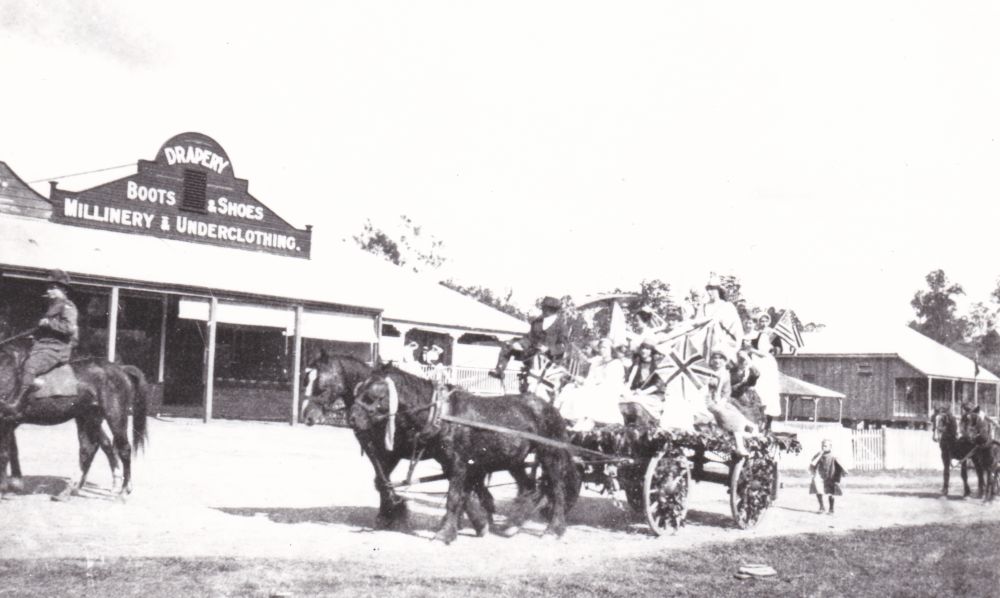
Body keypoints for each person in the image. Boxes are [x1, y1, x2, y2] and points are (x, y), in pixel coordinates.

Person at [1, 269, 79, 417]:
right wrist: (35, 335)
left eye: (52, 288)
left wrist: (49, 324)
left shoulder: (68, 306)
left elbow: (69, 328)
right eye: (48, 288)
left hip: (56, 350)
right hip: (42, 347)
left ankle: (17, 403)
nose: (48, 291)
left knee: (31, 365)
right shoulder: (52, 306)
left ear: (62, 289)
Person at [489, 296, 570, 379]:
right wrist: (519, 344)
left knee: (537, 359)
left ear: (552, 310)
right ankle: (499, 370)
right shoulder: (537, 322)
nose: (542, 310)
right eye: (542, 308)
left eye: (545, 308)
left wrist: (549, 349)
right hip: (532, 353)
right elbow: (529, 338)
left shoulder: (561, 326)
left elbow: (563, 345)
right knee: (508, 345)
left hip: (550, 359)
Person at [558, 338, 626, 429]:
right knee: (569, 387)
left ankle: (580, 420)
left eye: (605, 348)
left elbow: (612, 383)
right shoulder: (597, 362)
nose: (602, 350)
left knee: (584, 393)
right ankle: (563, 416)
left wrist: (590, 385)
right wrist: (582, 382)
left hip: (608, 390)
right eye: (600, 348)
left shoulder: (616, 364)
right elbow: (590, 378)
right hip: (592, 386)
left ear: (611, 349)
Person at [705, 348, 758, 456]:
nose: (717, 361)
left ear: (724, 361)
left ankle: (744, 435)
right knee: (723, 413)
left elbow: (726, 391)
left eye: (720, 359)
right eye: (714, 358)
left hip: (720, 400)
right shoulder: (706, 371)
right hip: (707, 400)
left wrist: (722, 401)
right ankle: (739, 445)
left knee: (736, 413)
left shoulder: (725, 374)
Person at [698, 273, 744, 356]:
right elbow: (696, 326)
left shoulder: (727, 306)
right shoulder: (702, 307)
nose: (709, 292)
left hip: (721, 346)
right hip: (703, 345)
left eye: (712, 289)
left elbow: (735, 328)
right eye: (708, 289)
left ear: (719, 290)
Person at [809, 439, 847, 514]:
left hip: (830, 474)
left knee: (831, 491)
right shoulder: (818, 454)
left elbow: (841, 465)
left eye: (825, 446)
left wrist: (843, 472)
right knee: (817, 487)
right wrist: (820, 455)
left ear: (830, 446)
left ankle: (831, 508)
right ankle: (821, 507)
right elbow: (813, 463)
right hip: (820, 474)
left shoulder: (834, 455)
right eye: (822, 445)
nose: (823, 447)